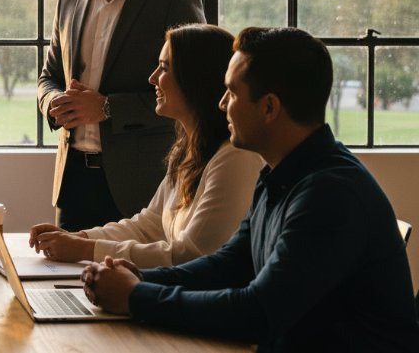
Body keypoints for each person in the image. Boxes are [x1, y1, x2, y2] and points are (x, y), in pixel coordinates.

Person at [82, 27, 419, 352]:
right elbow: (229, 264)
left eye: (232, 93)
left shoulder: (330, 195)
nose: (221, 104)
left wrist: (136, 296)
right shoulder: (280, 172)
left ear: (269, 107)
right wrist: (140, 278)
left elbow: (258, 313)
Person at [38, 0, 205, 232]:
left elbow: (195, 96)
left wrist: (107, 108)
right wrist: (53, 102)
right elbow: (48, 77)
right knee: (62, 269)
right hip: (72, 186)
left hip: (140, 190)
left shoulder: (174, 0)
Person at [29, 24, 261, 268]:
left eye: (164, 68)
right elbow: (148, 226)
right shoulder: (187, 151)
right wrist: (79, 238)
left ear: (195, 79)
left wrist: (85, 249)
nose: (152, 78)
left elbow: (190, 255)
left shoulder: (235, 159)